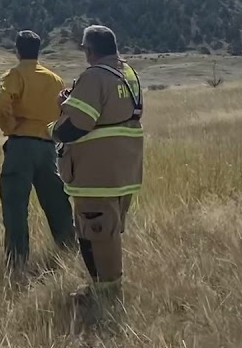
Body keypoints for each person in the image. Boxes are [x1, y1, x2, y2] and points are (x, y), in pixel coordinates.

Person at [48, 24, 144, 318]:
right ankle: (104, 288)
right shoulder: (128, 74)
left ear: (89, 50)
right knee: (109, 231)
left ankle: (105, 296)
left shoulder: (94, 76)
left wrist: (56, 122)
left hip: (97, 173)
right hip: (125, 168)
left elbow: (77, 125)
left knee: (97, 234)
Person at [0, 30, 76, 276]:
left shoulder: (15, 75)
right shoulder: (55, 80)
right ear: (39, 50)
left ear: (17, 50)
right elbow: (65, 110)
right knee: (57, 203)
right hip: (48, 147)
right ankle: (69, 253)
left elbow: (1, 103)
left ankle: (17, 263)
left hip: (21, 146)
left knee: (16, 207)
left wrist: (10, 127)